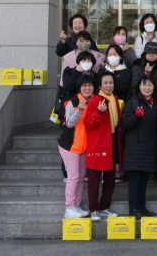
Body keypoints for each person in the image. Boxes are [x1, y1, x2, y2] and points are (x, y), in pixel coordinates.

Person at [84, 71, 122, 221]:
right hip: (98, 144)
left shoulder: (115, 99)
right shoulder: (95, 101)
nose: (108, 85)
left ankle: (105, 207)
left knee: (110, 178)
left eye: (111, 82)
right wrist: (98, 112)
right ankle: (94, 208)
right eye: (105, 83)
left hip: (112, 142)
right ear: (99, 85)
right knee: (94, 179)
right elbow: (87, 123)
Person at [121, 76, 157, 219]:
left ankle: (142, 206)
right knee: (135, 180)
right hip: (135, 148)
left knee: (144, 180)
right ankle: (133, 207)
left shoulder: (156, 104)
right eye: (144, 85)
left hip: (149, 147)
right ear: (139, 87)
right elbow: (125, 123)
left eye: (150, 85)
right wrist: (136, 117)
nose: (147, 87)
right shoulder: (133, 102)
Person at [58, 74, 95, 218]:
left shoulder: (94, 101)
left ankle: (77, 206)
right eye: (84, 85)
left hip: (84, 146)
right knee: (73, 177)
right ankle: (69, 207)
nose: (87, 88)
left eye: (90, 85)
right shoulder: (72, 101)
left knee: (80, 177)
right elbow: (69, 123)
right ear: (79, 87)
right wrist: (79, 110)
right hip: (70, 145)